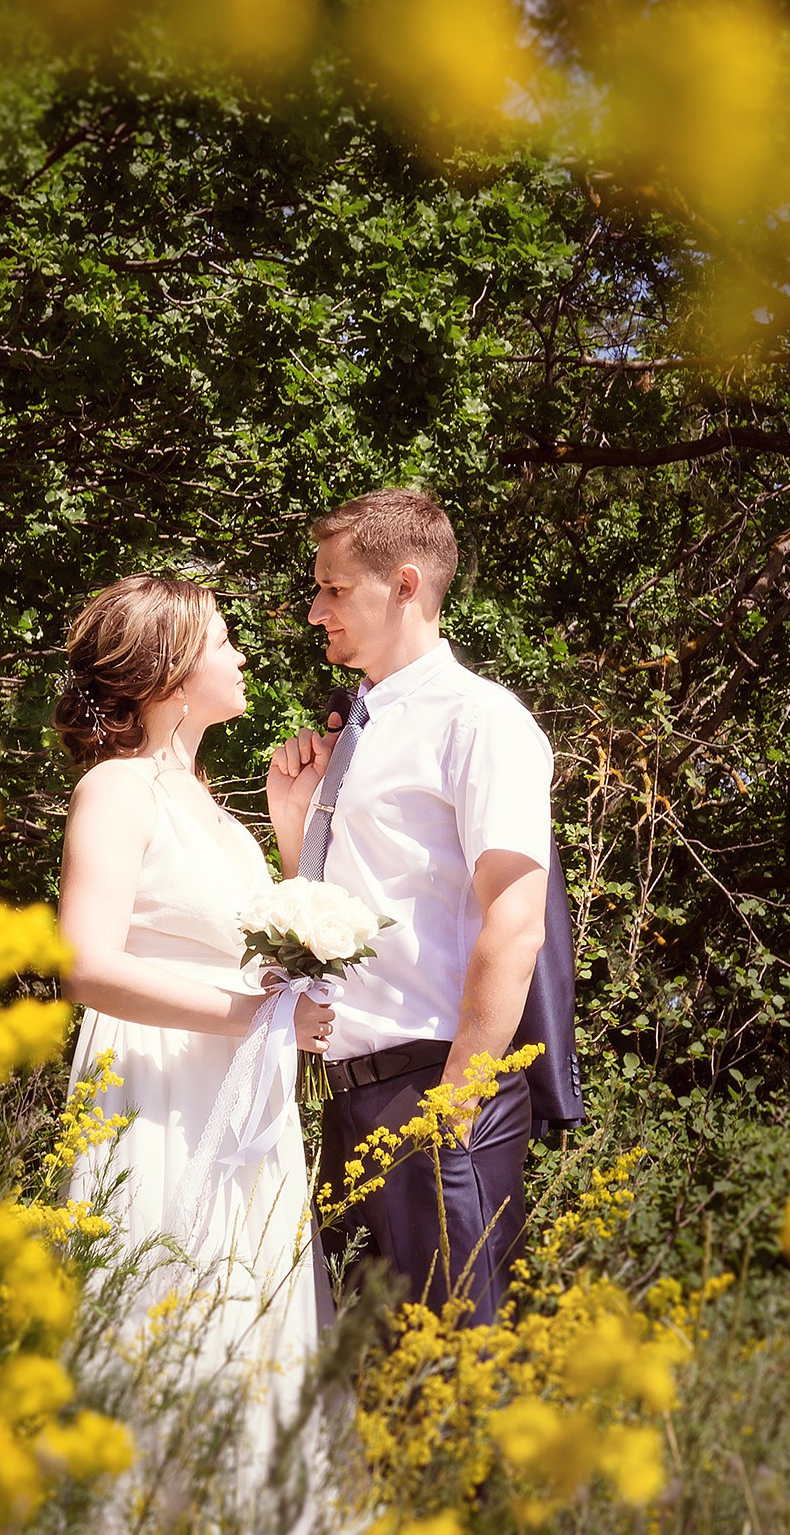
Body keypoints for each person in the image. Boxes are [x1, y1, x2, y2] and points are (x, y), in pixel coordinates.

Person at [53, 573, 330, 1502]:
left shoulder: (217, 811)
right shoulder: (118, 789)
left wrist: (291, 835)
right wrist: (252, 1018)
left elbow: (266, 959)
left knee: (246, 1325)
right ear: (171, 672)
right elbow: (84, 965)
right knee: (164, 1319)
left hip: (239, 1096)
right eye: (223, 641)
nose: (243, 655)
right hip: (158, 1083)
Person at [267, 487, 560, 1327]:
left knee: (452, 1377)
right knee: (367, 1386)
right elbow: (343, 917)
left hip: (436, 1093)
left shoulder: (479, 721)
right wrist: (295, 828)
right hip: (350, 1099)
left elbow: (515, 916)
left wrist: (454, 1106)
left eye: (332, 588)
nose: (315, 609)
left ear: (402, 584)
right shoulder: (357, 731)